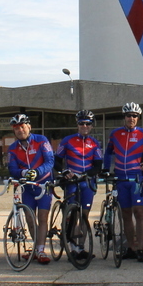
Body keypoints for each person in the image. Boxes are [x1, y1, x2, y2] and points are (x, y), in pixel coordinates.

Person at [103, 102, 143, 263]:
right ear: (124, 117)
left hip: (136, 179)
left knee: (139, 212)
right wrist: (105, 169)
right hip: (121, 179)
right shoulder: (115, 134)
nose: (131, 118)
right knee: (125, 214)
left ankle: (141, 249)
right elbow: (108, 152)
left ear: (138, 118)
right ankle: (131, 248)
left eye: (134, 116)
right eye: (128, 115)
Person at [54, 110, 103, 260]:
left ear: (92, 126)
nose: (84, 126)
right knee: (72, 214)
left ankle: (80, 248)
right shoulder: (67, 140)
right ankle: (71, 247)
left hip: (86, 182)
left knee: (84, 216)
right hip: (71, 182)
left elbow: (98, 165)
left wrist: (87, 174)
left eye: (88, 124)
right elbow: (56, 161)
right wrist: (64, 171)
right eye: (82, 123)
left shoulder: (94, 143)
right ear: (77, 124)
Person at [7, 113, 55, 264]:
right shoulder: (13, 148)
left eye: (22, 127)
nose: (20, 130)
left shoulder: (41, 140)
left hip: (43, 184)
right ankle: (35, 248)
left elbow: (50, 161)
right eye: (16, 128)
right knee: (29, 217)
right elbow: (12, 168)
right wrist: (23, 173)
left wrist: (37, 172)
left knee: (42, 217)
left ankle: (41, 250)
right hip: (27, 187)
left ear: (29, 127)